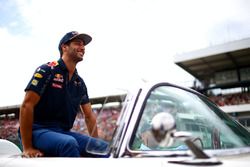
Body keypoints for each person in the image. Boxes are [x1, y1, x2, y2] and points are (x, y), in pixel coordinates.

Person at [19, 31, 108, 158]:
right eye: (78, 43)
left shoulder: (79, 82)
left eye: (83, 45)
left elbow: (89, 116)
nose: (82, 48)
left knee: (103, 147)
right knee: (68, 143)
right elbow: (26, 105)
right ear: (64, 47)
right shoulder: (47, 70)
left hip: (62, 132)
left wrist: (96, 146)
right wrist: (27, 148)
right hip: (37, 130)